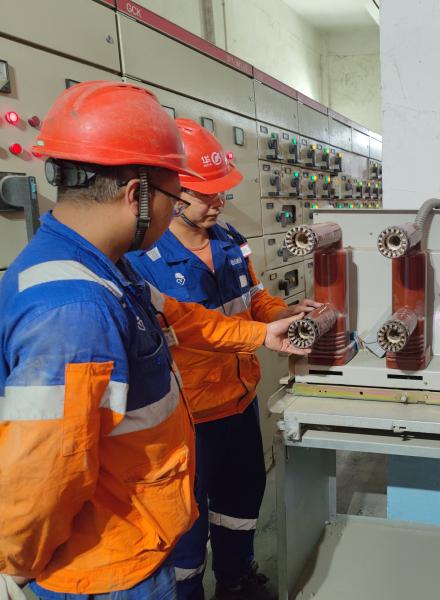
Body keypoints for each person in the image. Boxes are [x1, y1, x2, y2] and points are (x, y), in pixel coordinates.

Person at [0, 81, 307, 599]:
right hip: (107, 568)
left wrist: (264, 331)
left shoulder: (102, 268)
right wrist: (15, 563)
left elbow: (183, 317)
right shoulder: (75, 309)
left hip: (133, 536)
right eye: (174, 195)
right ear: (137, 195)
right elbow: (44, 465)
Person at [126, 118, 318, 600]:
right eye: (206, 194)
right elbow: (191, 330)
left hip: (238, 402)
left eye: (221, 192)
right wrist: (261, 334)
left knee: (241, 500)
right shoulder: (143, 259)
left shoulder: (229, 240)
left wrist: (284, 313)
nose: (218, 202)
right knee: (186, 522)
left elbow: (255, 298)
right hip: (188, 417)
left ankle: (236, 578)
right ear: (174, 192)